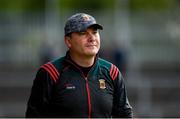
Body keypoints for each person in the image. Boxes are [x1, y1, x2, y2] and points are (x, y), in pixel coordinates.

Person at [26, 13, 133, 118]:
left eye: (95, 32)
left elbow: (124, 114)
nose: (92, 38)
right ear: (68, 41)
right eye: (83, 33)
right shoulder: (50, 73)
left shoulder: (112, 72)